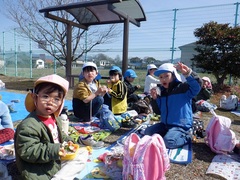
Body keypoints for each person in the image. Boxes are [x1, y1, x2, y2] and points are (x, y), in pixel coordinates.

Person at [14, 74, 75, 180]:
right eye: (45, 96)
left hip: (54, 160)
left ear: (61, 103)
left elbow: (60, 136)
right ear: (34, 97)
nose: (50, 102)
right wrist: (55, 150)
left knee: (82, 156)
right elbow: (28, 150)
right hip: (37, 170)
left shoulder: (55, 118)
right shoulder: (28, 125)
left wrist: (69, 141)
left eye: (56, 99)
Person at [144, 62, 202, 149]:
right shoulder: (161, 92)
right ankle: (170, 134)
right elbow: (158, 111)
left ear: (174, 75)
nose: (163, 79)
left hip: (180, 125)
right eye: (161, 77)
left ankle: (188, 135)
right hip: (165, 124)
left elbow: (197, 86)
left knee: (169, 142)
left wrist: (187, 73)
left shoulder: (183, 88)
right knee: (148, 132)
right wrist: (155, 99)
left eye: (166, 76)